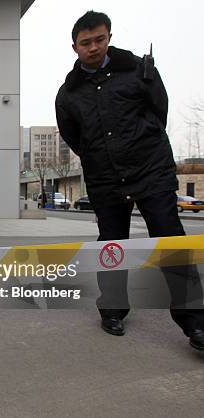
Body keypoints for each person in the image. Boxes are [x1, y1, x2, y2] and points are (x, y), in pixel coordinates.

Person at [55, 11, 204, 351]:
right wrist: (100, 158)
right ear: (75, 47)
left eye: (99, 40)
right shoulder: (68, 94)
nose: (93, 48)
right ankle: (112, 310)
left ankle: (196, 323)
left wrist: (142, 146)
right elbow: (75, 139)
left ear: (109, 37)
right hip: (106, 179)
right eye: (85, 43)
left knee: (171, 242)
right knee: (112, 244)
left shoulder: (139, 71)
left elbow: (159, 112)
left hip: (150, 171)